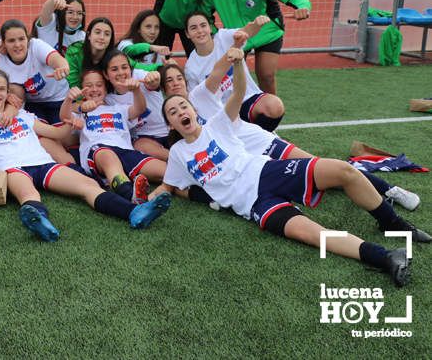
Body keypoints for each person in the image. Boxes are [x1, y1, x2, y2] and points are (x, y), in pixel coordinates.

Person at [157, 52, 429, 287]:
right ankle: (385, 257)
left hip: (266, 173)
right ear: (171, 125)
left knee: (344, 172)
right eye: (172, 112)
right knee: (311, 234)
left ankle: (391, 223)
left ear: (193, 111)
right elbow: (173, 186)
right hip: (253, 205)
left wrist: (239, 63)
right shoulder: (179, 154)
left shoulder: (218, 124)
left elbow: (239, 92)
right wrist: (150, 198)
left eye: (183, 105)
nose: (180, 111)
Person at [161, 52, 421, 211]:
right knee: (312, 182)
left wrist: (236, 50)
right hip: (244, 169)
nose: (175, 84)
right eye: (168, 82)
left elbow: (222, 72)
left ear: (186, 82)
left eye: (178, 79)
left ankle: (389, 190)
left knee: (320, 165)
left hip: (259, 144)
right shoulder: (176, 123)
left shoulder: (201, 95)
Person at [0, 69, 173, 241]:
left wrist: (71, 125)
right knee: (29, 195)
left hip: (43, 164)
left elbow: (57, 134)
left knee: (88, 186)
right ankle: (41, 223)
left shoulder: (23, 116)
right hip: (12, 168)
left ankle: (134, 212)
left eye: (2, 89)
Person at [59, 69, 167, 199]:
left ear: (105, 88)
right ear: (82, 90)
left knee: (165, 170)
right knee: (108, 157)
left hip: (126, 152)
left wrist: (136, 90)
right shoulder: (81, 112)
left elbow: (140, 109)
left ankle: (194, 192)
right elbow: (64, 116)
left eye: (99, 85)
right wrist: (69, 99)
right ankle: (129, 193)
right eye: (88, 86)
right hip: (98, 151)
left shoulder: (118, 108)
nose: (94, 89)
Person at [184, 12, 285, 132]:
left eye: (203, 25)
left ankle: (259, 137)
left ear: (210, 28)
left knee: (274, 106)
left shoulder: (223, 37)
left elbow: (245, 32)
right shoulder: (191, 67)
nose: (200, 31)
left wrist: (256, 24)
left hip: (246, 98)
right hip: (223, 111)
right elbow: (197, 102)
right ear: (187, 34)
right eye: (193, 28)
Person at [0, 19, 70, 125]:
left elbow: (58, 60)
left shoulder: (36, 46)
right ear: (3, 43)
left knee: (65, 139)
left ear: (28, 39)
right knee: (42, 136)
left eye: (21, 39)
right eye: (11, 40)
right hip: (33, 104)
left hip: (59, 98)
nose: (17, 44)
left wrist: (62, 68)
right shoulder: (0, 62)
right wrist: (7, 95)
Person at [102, 49, 170, 161]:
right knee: (139, 146)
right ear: (106, 75)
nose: (121, 73)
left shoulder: (139, 76)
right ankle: (180, 164)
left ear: (130, 68)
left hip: (168, 129)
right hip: (144, 138)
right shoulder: (109, 99)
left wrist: (154, 77)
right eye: (114, 69)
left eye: (124, 67)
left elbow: (154, 83)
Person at [64, 17, 115, 88]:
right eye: (97, 32)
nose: (102, 37)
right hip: (78, 96)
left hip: (105, 96)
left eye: (107, 34)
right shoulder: (74, 52)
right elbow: (73, 85)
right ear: (88, 35)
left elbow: (131, 64)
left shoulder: (114, 56)